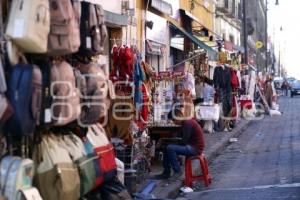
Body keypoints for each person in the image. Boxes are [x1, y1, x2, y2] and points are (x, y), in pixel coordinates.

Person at [155, 109, 205, 180]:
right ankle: (166, 172)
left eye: (174, 120)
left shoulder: (188, 123)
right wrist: (167, 141)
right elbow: (179, 138)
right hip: (191, 145)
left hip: (195, 148)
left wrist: (170, 142)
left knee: (170, 148)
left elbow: (183, 141)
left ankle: (177, 171)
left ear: (179, 116)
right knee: (166, 147)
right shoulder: (185, 123)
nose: (174, 122)